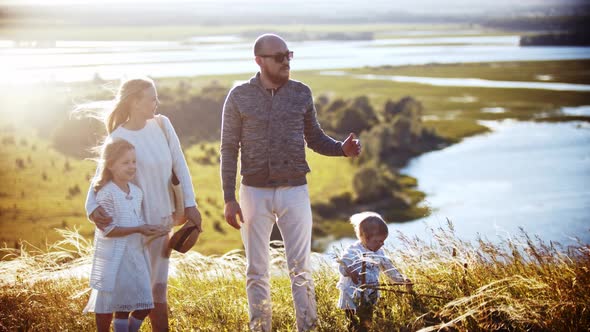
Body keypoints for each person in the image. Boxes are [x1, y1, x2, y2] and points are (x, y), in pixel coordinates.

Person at [220, 33, 362, 332]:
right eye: (279, 56)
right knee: (256, 270)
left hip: (295, 191)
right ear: (259, 60)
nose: (286, 61)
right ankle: (260, 328)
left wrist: (341, 149)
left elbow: (315, 137)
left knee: (301, 269)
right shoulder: (239, 96)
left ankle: (307, 328)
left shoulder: (301, 93)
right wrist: (228, 198)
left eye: (289, 54)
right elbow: (229, 148)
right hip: (253, 193)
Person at [84, 77, 202, 332]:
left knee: (157, 290)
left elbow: (179, 165)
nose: (156, 102)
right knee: (123, 290)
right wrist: (92, 209)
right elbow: (100, 176)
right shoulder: (118, 136)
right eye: (151, 97)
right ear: (135, 101)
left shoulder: (162, 125)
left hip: (161, 222)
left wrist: (190, 205)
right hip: (131, 224)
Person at [84, 138, 169, 332]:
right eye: (125, 162)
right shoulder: (107, 194)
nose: (132, 167)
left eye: (134, 161)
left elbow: (136, 221)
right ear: (111, 165)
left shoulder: (137, 192)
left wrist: (153, 230)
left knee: (145, 305)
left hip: (135, 256)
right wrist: (139, 229)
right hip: (117, 259)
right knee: (121, 309)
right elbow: (109, 230)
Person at [337, 212, 412, 332]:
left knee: (367, 317)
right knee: (351, 316)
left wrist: (402, 279)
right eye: (379, 241)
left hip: (370, 291)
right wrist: (349, 270)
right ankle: (351, 326)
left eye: (383, 241)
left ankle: (365, 327)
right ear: (366, 238)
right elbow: (343, 264)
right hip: (351, 291)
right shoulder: (353, 250)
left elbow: (389, 269)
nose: (382, 244)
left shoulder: (379, 253)